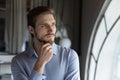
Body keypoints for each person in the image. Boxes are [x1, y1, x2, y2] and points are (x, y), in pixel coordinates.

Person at [11, 6, 80, 80]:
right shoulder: (18, 62)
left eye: (53, 24)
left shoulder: (69, 56)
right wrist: (40, 63)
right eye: (44, 26)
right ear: (31, 30)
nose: (51, 30)